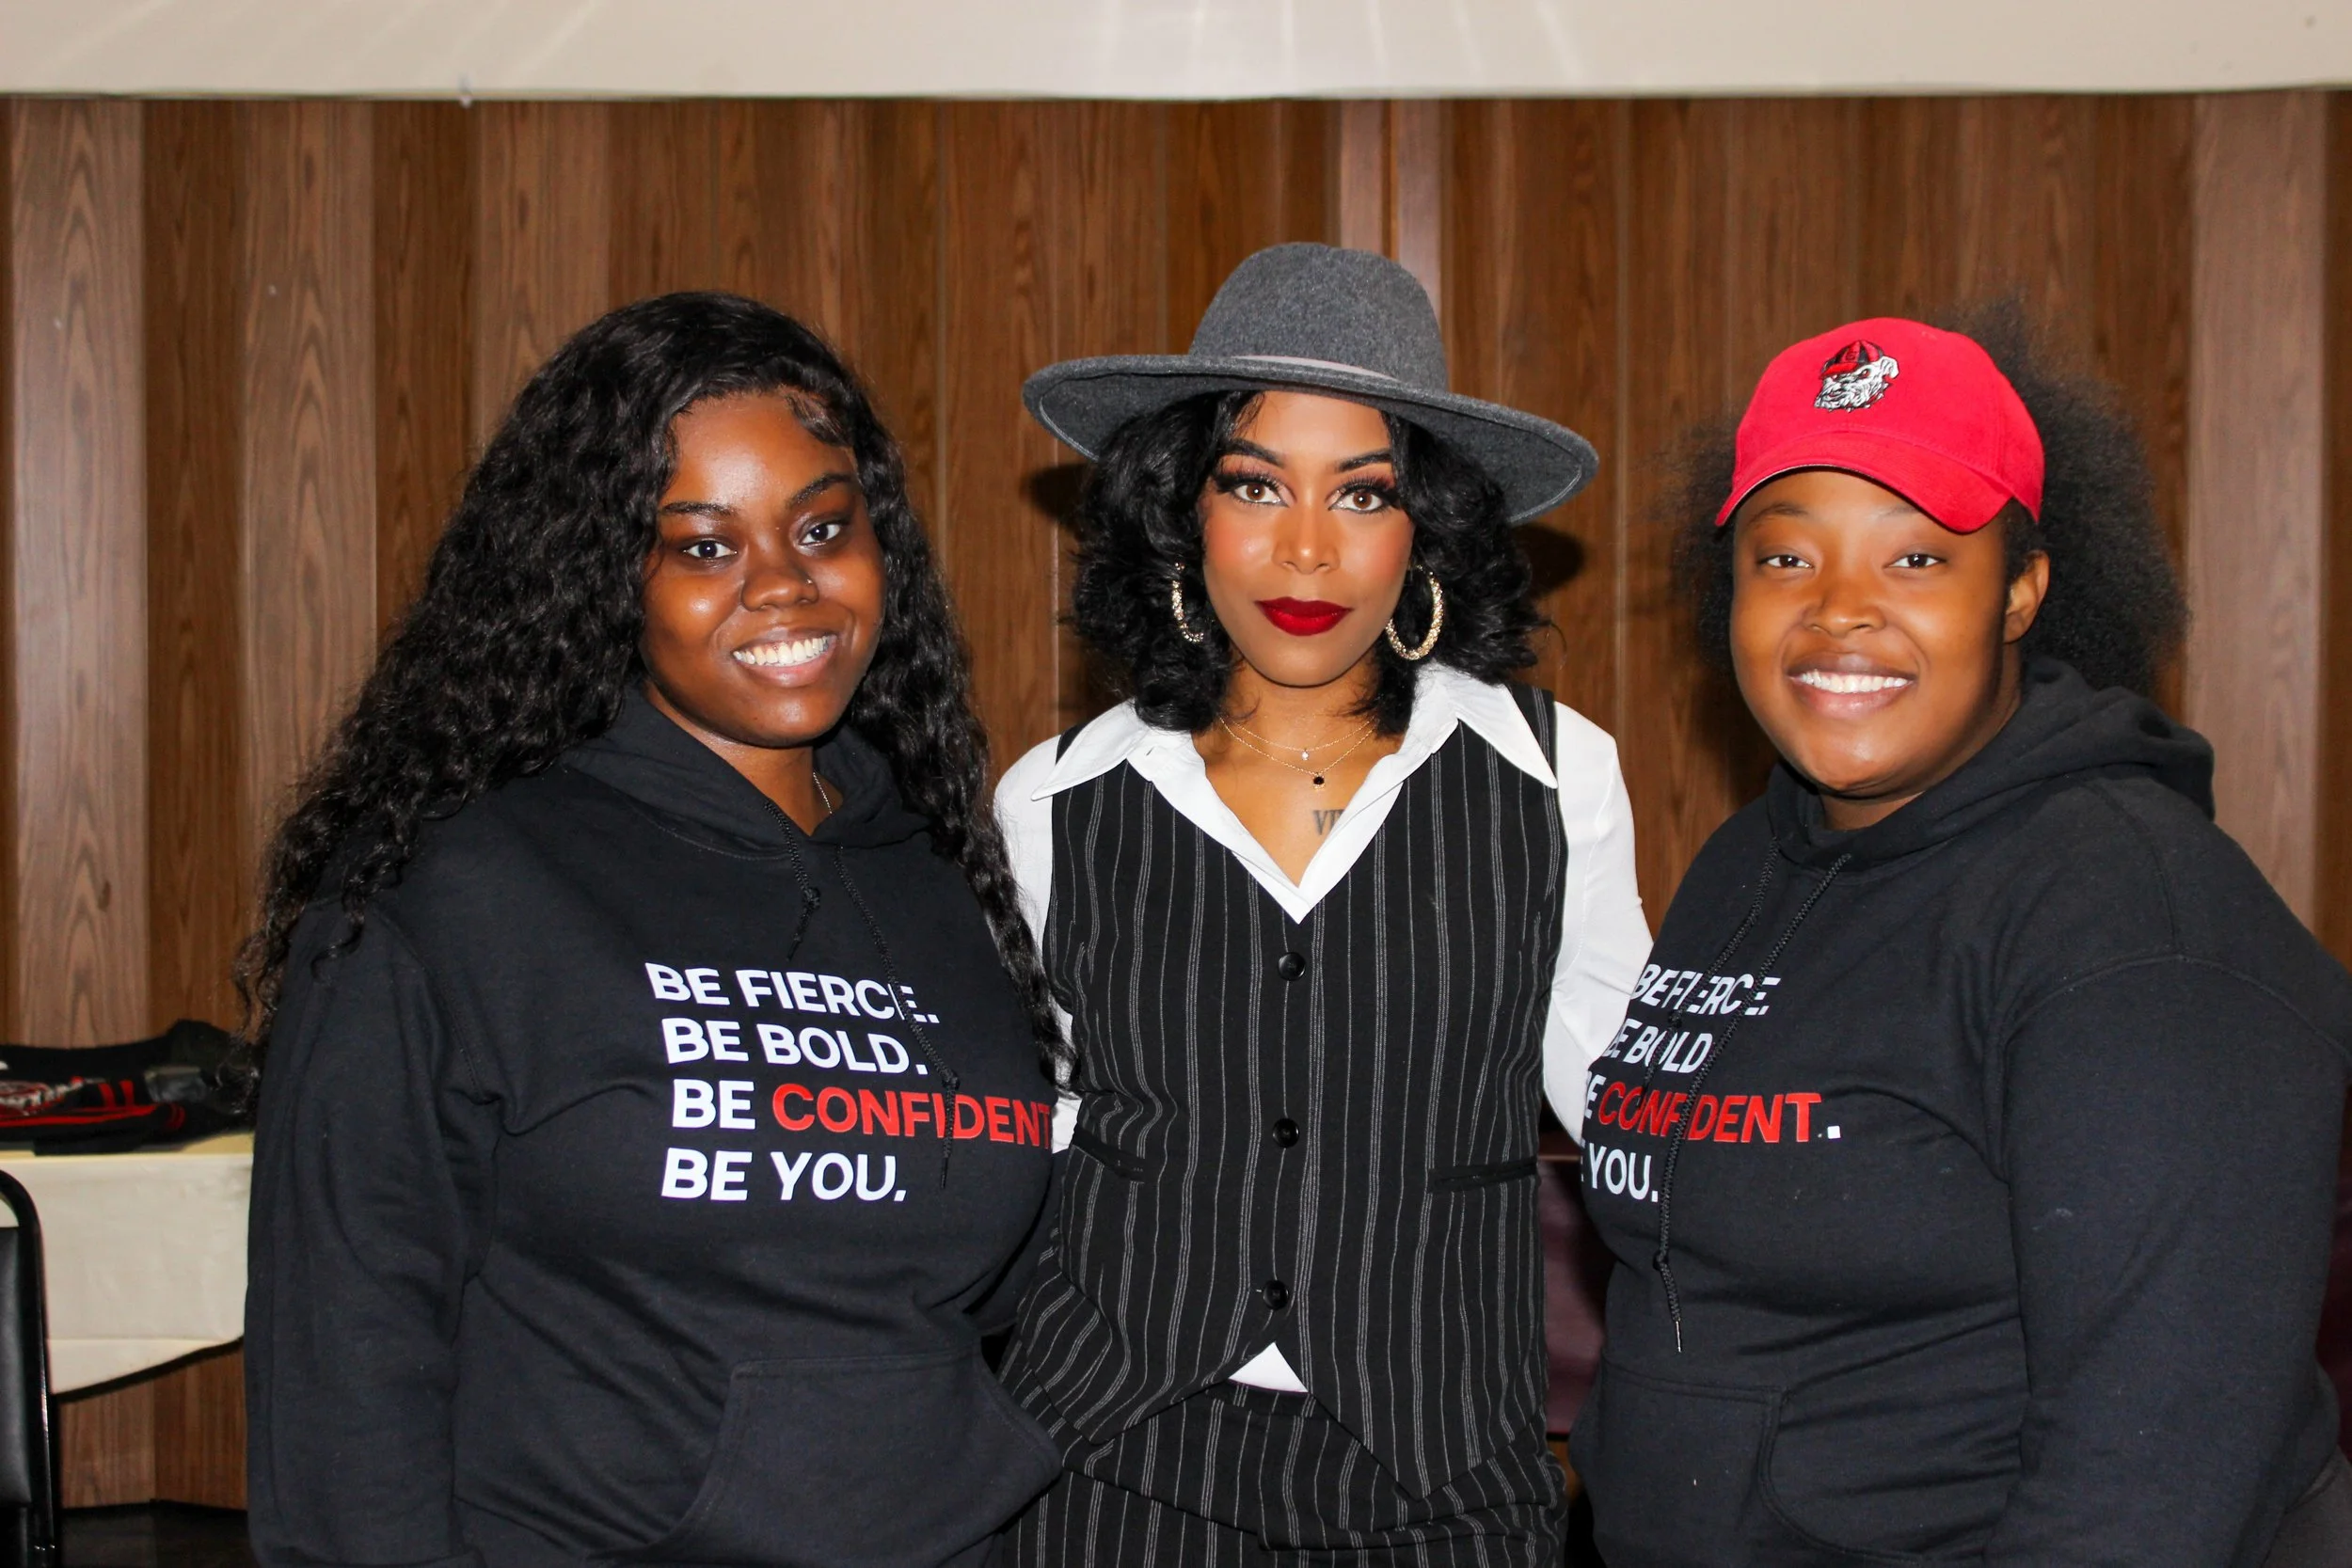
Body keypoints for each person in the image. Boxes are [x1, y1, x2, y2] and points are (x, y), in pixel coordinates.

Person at [241, 292, 1064, 1568]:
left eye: (823, 526)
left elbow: (986, 1283)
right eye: (702, 547)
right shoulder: (452, 888)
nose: (785, 585)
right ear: (597, 575)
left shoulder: (941, 875)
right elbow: (345, 1363)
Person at [1571, 306, 2352, 1567]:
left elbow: (2150, 1487)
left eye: (1917, 559)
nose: (1838, 614)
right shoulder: (1748, 862)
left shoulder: (2136, 925)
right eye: (1786, 559)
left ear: (2025, 590)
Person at [992, 243, 1652, 1565]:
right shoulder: (1056, 799)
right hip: (1109, 1467)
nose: (1306, 548)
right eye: (1254, 484)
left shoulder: (1553, 773)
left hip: (1442, 1476)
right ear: (1183, 506)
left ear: (1430, 525)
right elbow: (1023, 1154)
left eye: (1364, 493)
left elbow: (1642, 1123)